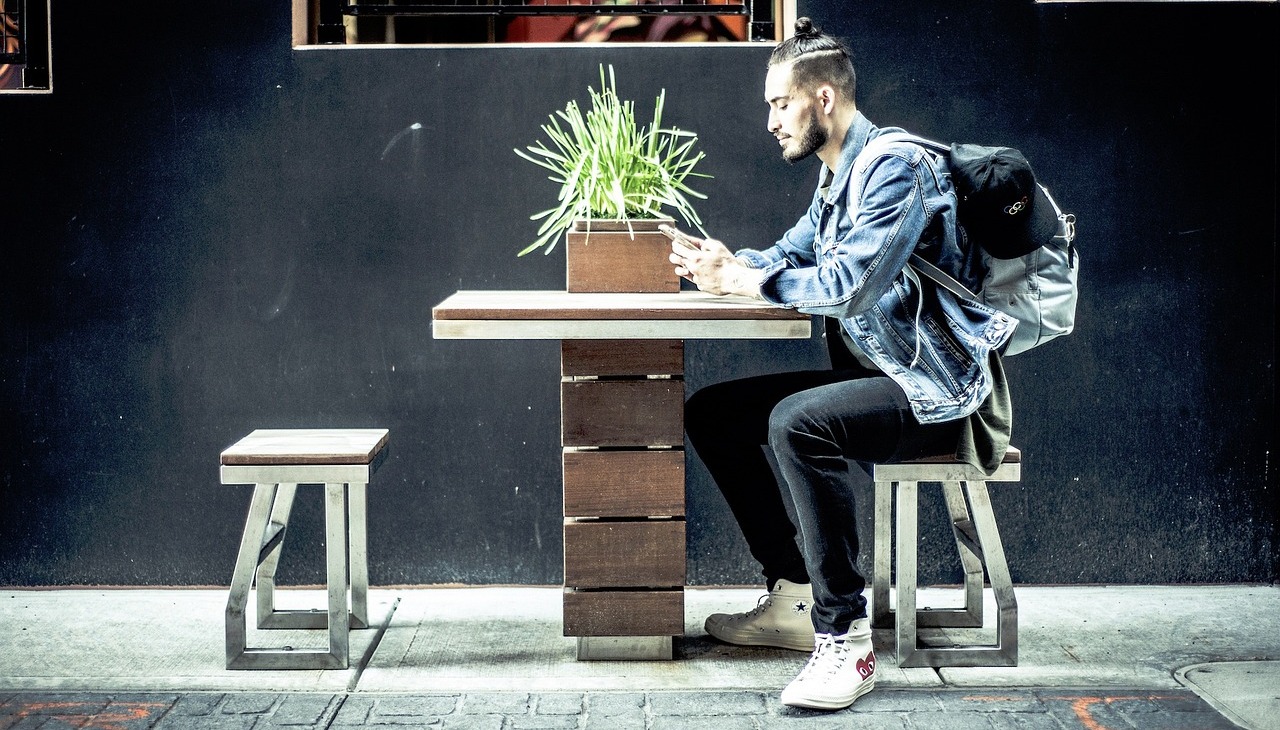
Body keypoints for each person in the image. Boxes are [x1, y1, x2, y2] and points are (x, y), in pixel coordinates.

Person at [668, 17, 1015, 711]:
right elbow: (791, 254)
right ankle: (796, 591)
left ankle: (844, 639)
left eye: (779, 103)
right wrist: (727, 265)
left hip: (934, 391)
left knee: (798, 424)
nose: (770, 120)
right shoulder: (838, 177)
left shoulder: (895, 170)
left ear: (822, 98)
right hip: (875, 377)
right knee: (714, 413)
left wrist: (746, 282)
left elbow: (852, 283)